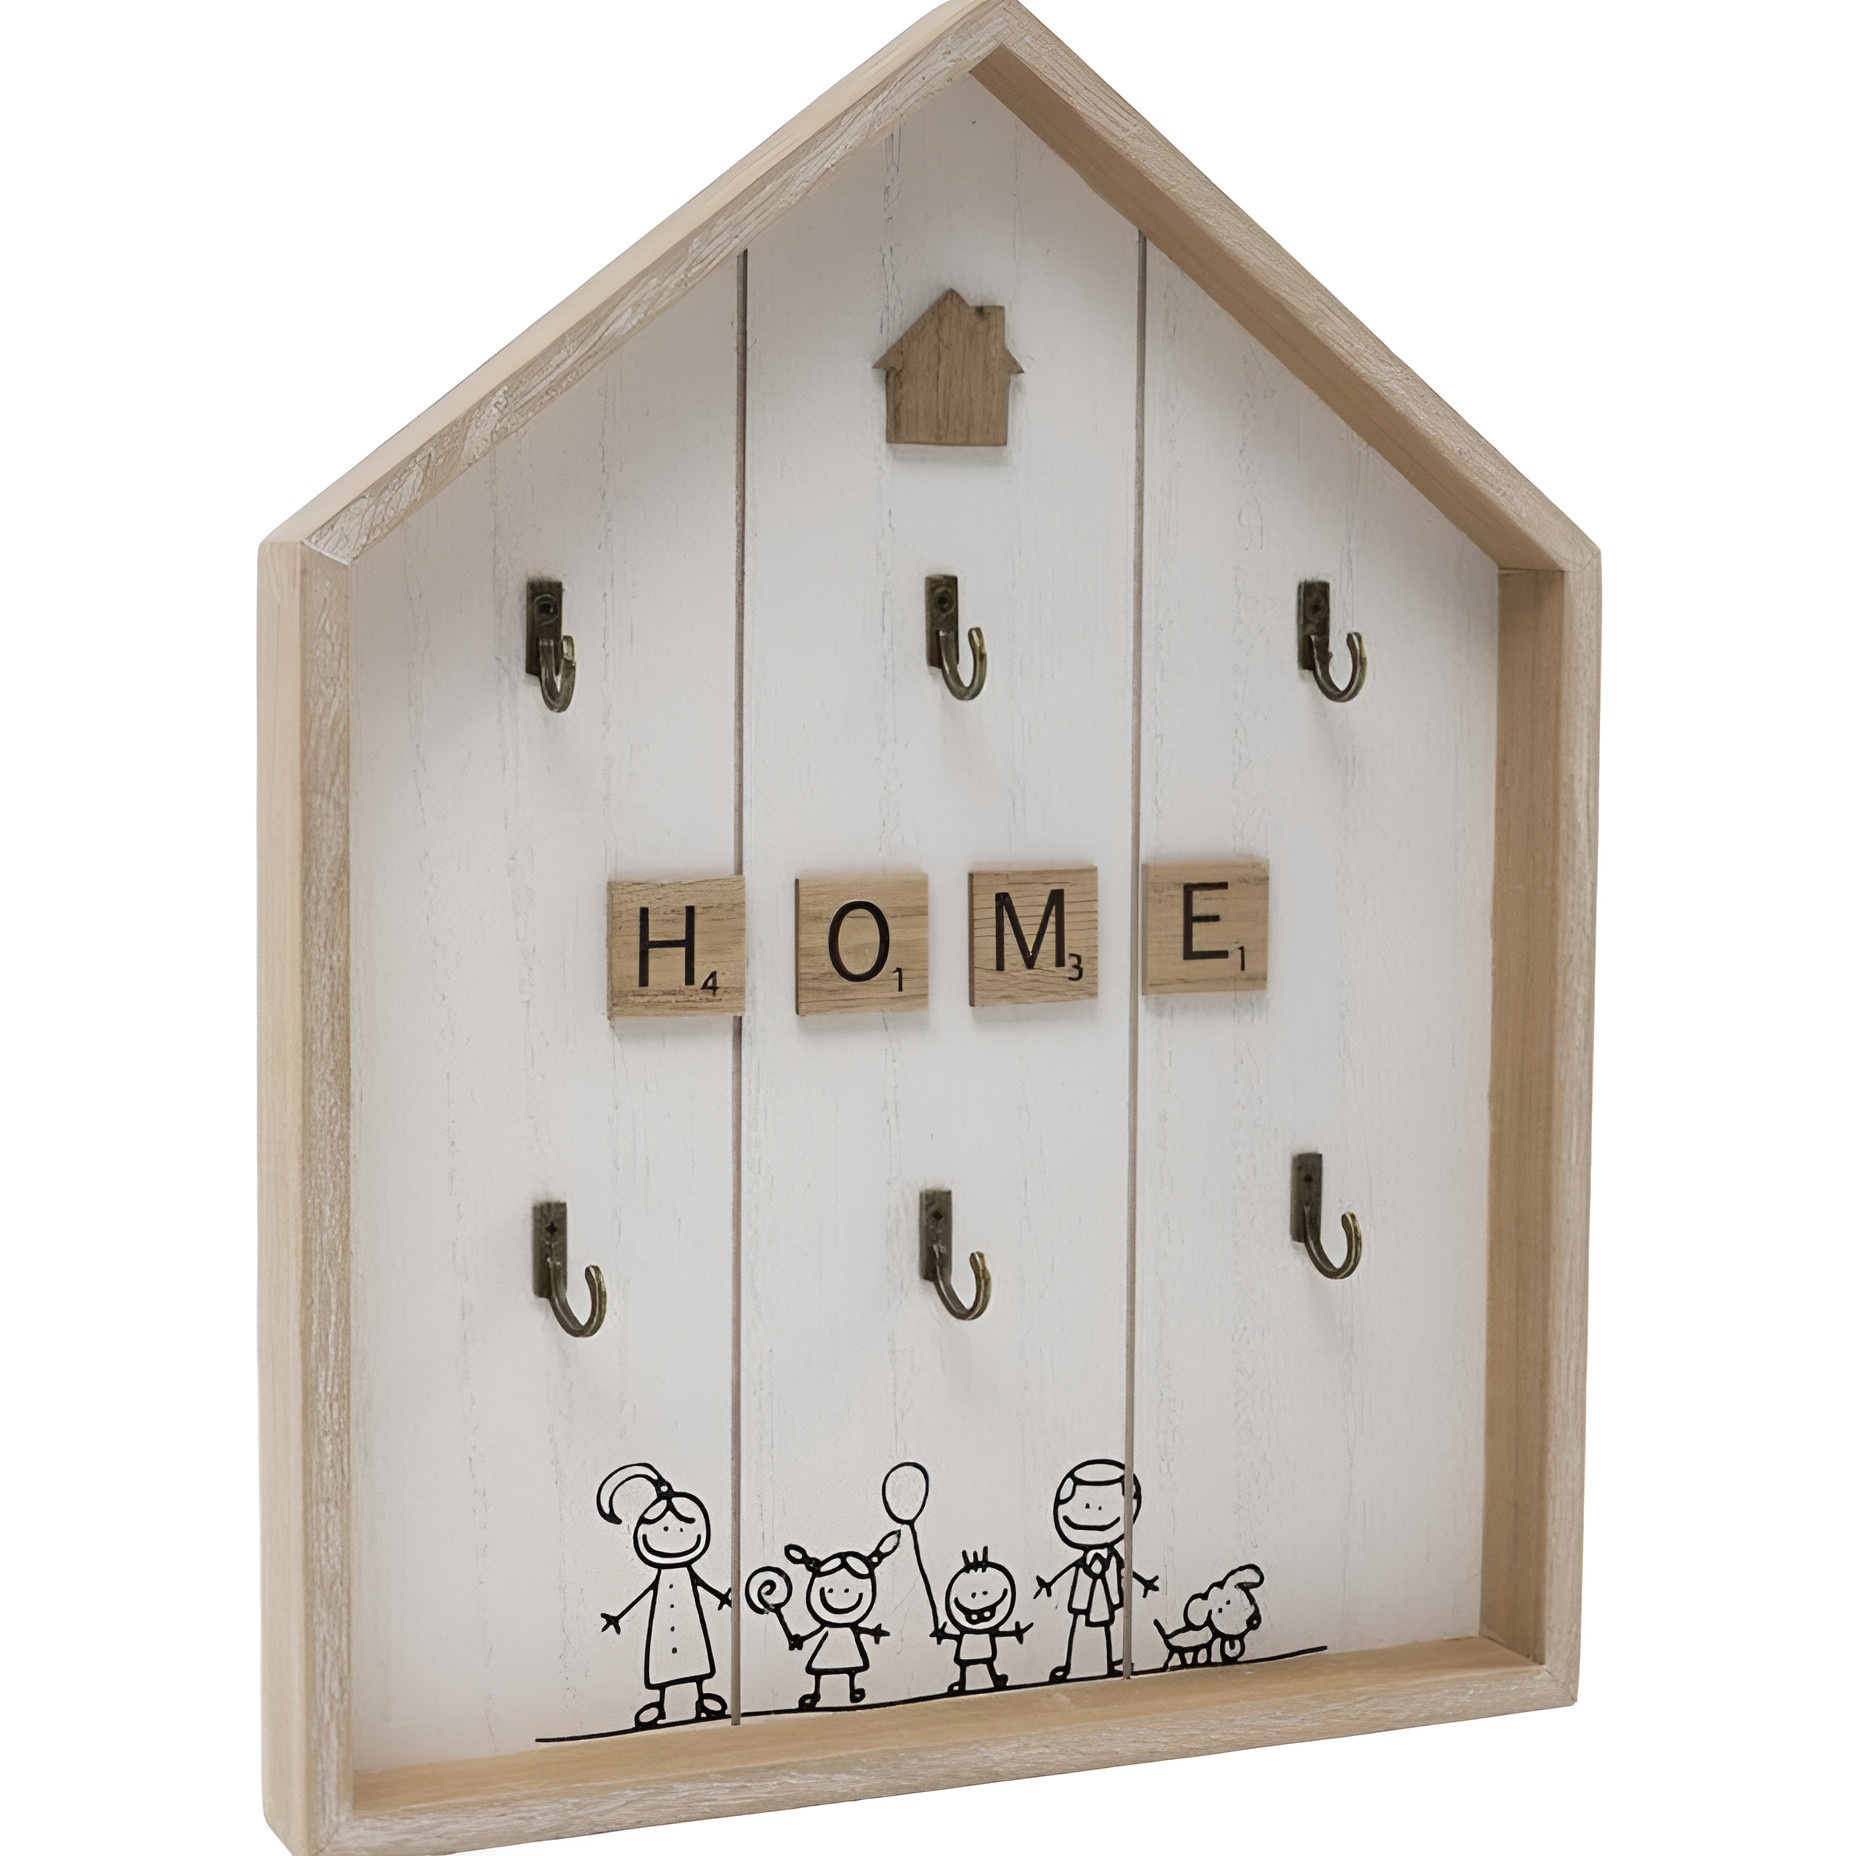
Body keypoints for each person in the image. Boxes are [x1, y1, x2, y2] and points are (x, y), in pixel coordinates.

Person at [596, 1463, 730, 1728]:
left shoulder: (685, 1574)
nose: (674, 1536)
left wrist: (721, 1596)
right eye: (665, 1530)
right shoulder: (663, 1576)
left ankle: (701, 1697)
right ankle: (661, 1703)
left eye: (681, 1529)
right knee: (662, 1659)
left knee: (694, 1651)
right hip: (662, 1618)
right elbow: (646, 1593)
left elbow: (701, 1584)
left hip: (688, 1616)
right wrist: (618, 1616)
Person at [1034, 1458, 1156, 1681]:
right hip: (1083, 1597)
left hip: (1104, 1597)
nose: (1093, 1514)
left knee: (1105, 1628)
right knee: (1079, 1627)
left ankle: (1107, 1665)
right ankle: (1072, 1666)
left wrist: (1145, 1582)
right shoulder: (1086, 1559)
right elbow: (1070, 1569)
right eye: (1086, 1506)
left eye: (1102, 1507)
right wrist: (1050, 1583)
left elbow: (1127, 1569)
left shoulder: (1113, 1557)